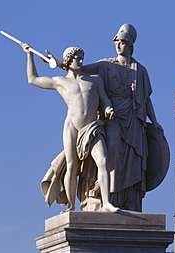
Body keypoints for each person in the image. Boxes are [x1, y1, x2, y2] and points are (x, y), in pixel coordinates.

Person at [22, 44, 119, 213]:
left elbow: (105, 99)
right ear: (68, 60)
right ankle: (72, 205)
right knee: (72, 166)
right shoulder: (61, 81)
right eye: (77, 58)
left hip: (92, 127)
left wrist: (108, 108)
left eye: (82, 57)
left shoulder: (95, 80)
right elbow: (33, 79)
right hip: (72, 126)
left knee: (103, 161)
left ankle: (106, 203)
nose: (80, 61)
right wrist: (29, 55)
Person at [81, 24, 163, 211]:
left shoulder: (140, 70)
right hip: (113, 117)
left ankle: (129, 199)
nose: (119, 45)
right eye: (117, 41)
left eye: (123, 42)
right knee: (112, 148)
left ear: (131, 46)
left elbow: (146, 100)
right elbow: (79, 70)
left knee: (134, 158)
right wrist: (62, 63)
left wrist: (155, 121)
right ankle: (108, 195)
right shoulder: (105, 65)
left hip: (134, 119)